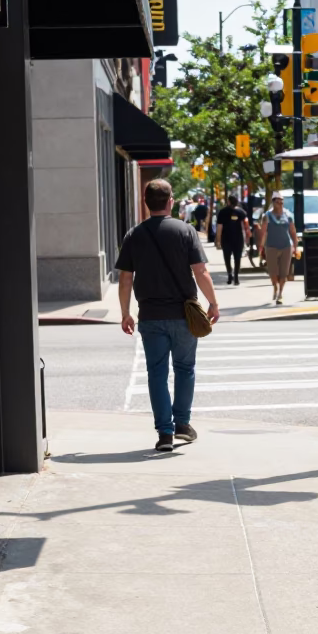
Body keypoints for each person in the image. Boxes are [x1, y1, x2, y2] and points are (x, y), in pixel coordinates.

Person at [117, 178, 220, 453]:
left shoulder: (134, 235)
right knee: (185, 369)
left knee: (157, 374)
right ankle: (182, 424)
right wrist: (213, 303)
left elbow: (126, 279)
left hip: (150, 316)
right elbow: (201, 272)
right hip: (184, 314)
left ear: (146, 203)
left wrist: (125, 312)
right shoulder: (185, 231)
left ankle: (165, 433)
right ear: (171, 201)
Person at [257, 191, 297, 305]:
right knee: (273, 271)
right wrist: (261, 247)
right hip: (271, 246)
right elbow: (263, 232)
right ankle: (275, 286)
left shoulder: (288, 215)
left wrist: (295, 246)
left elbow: (293, 231)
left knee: (284, 272)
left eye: (282, 202)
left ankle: (280, 294)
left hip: (286, 246)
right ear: (273, 203)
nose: (280, 204)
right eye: (278, 202)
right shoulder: (267, 216)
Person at [215, 195, 252, 285]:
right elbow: (246, 225)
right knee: (237, 258)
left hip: (226, 238)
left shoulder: (222, 212)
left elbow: (219, 227)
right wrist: (248, 236)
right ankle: (236, 277)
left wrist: (218, 240)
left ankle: (229, 275)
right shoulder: (241, 212)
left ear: (228, 202)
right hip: (238, 238)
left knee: (227, 258)